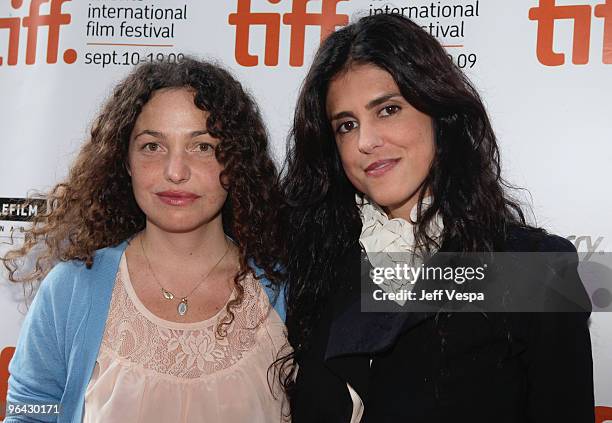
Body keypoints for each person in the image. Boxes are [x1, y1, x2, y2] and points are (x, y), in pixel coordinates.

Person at [279, 13, 594, 423]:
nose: (365, 141)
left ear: (439, 115)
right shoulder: (321, 260)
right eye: (346, 125)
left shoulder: (533, 270)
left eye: (388, 110)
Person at [3, 58, 289, 423]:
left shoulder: (284, 289)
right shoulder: (72, 289)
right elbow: (30, 411)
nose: (175, 171)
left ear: (235, 161)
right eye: (152, 146)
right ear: (125, 161)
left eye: (202, 146)